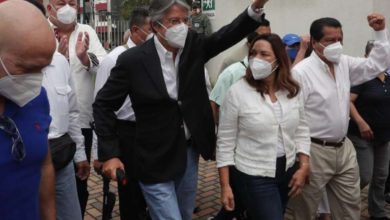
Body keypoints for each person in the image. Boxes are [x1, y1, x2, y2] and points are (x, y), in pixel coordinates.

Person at [93, 0, 269, 219]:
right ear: (157, 26)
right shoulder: (133, 60)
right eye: (174, 21)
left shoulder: (193, 46)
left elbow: (226, 35)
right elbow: (103, 105)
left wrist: (256, 7)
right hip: (153, 157)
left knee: (185, 213)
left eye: (185, 21)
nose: (182, 27)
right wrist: (110, 153)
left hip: (187, 152)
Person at [289, 14, 390, 220]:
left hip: (343, 149)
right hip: (313, 151)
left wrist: (380, 32)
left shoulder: (344, 63)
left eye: (339, 39)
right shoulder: (302, 72)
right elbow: (295, 120)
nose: (337, 44)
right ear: (315, 43)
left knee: (349, 208)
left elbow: (376, 65)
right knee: (305, 210)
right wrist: (302, 160)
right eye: (330, 40)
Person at [216, 33, 310, 220]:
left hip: (287, 170)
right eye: (253, 53)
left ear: (279, 58)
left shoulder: (291, 89)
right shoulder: (238, 92)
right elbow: (225, 141)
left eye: (264, 54)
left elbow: (302, 128)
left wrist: (304, 165)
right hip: (253, 174)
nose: (256, 59)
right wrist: (225, 186)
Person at [47, 0, 107, 216]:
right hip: (50, 126)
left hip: (82, 121)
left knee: (78, 182)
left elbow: (104, 64)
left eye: (72, 2)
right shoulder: (41, 32)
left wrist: (85, 59)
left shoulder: (86, 31)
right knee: (47, 187)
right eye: (61, 2)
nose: (67, 8)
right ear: (49, 8)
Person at [93, 7, 152, 220]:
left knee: (152, 192)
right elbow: (99, 105)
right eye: (150, 28)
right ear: (136, 30)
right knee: (130, 194)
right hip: (126, 133)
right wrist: (102, 154)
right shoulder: (114, 59)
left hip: (151, 132)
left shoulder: (155, 57)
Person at [0, 1, 56, 219]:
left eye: (42, 69)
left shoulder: (36, 98)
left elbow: (44, 164)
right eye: (26, 69)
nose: (35, 81)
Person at [347, 40, 390, 220]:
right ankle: (344, 205)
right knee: (364, 175)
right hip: (362, 135)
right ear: (368, 57)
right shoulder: (362, 77)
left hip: (384, 136)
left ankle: (377, 211)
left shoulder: (387, 78)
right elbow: (348, 101)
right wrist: (361, 122)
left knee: (381, 176)